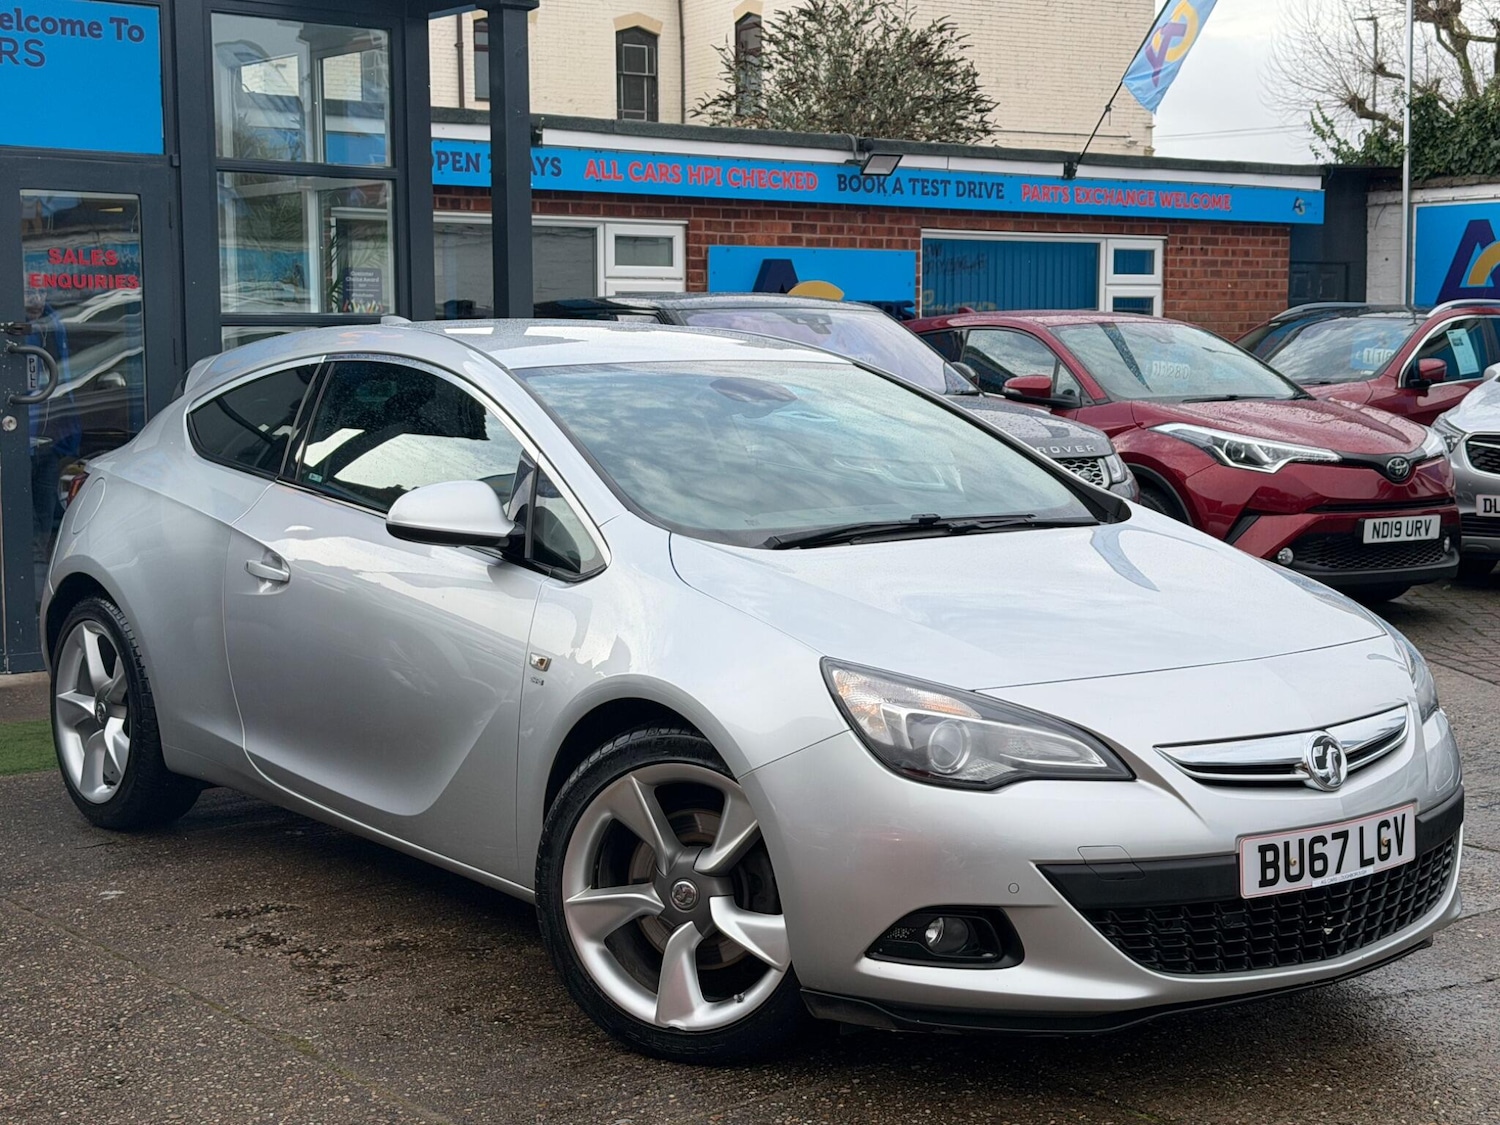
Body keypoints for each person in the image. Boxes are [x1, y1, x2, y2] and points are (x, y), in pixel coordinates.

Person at [23, 288, 81, 561]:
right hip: (20, 435)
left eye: (40, 292)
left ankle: (37, 561)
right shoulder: (18, 327)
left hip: (49, 437)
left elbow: (65, 377)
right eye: (27, 292)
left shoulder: (54, 326)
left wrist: (69, 432)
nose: (35, 299)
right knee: (24, 510)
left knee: (45, 508)